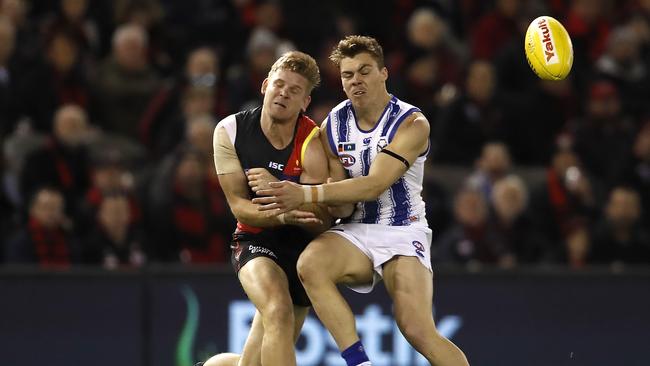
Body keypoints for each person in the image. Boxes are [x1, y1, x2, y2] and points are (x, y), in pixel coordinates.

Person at [253, 36, 469, 366]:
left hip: (402, 230)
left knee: (416, 329)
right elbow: (340, 195)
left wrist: (306, 194)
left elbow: (374, 185)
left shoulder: (412, 123)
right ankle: (359, 362)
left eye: (364, 71)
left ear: (383, 73)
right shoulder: (333, 126)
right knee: (309, 265)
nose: (356, 81)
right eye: (348, 75)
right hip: (355, 230)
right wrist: (319, 202)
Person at [200, 50, 331, 366]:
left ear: (305, 103)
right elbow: (240, 209)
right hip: (255, 240)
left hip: (304, 251)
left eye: (295, 90)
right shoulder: (229, 132)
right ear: (264, 85)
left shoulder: (312, 141)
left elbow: (320, 221)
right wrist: (286, 210)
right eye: (279, 84)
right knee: (277, 308)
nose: (284, 93)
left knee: (255, 361)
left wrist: (278, 188)